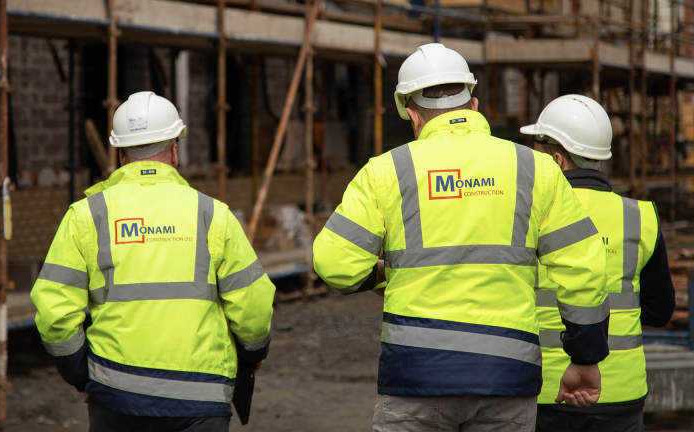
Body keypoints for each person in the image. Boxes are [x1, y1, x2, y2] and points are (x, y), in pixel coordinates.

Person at [312, 43, 610, 432]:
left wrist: (383, 275)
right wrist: (585, 359)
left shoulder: (386, 171)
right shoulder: (535, 169)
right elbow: (584, 268)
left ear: (410, 112)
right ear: (474, 106)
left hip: (416, 375)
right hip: (507, 375)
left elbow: (334, 263)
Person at [30, 91, 275, 431]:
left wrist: (80, 374)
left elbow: (55, 311)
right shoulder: (212, 215)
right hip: (200, 398)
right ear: (174, 150)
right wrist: (253, 353)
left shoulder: (87, 215)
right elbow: (253, 306)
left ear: (120, 154)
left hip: (116, 396)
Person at [520, 94, 675, 432]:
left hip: (545, 389)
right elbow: (659, 310)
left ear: (557, 160)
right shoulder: (640, 216)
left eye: (537, 152)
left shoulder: (530, 216)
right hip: (622, 391)